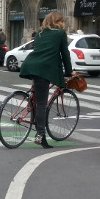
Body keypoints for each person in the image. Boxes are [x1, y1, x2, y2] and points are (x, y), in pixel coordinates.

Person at [19, 11, 76, 149]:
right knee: (41, 105)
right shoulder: (60, 34)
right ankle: (40, 135)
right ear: (58, 22)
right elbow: (65, 54)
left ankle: (34, 118)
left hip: (31, 65)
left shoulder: (39, 33)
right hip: (44, 69)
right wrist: (69, 71)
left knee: (37, 97)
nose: (64, 24)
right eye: (62, 21)